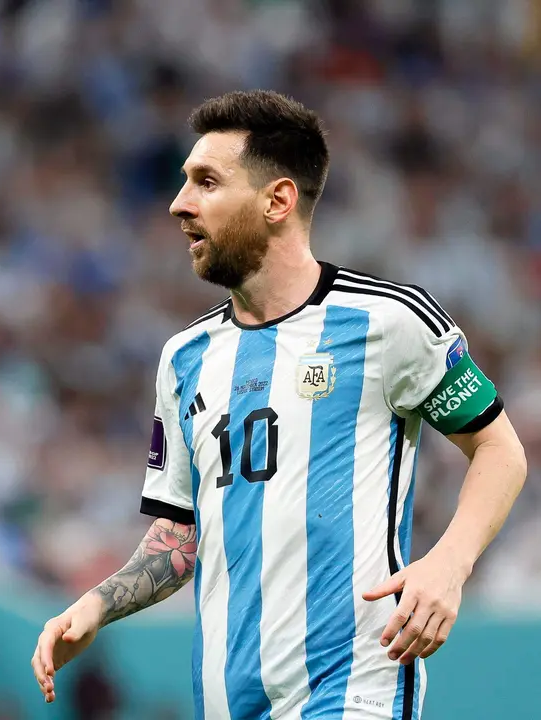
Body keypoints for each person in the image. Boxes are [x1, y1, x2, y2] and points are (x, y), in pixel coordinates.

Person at [31, 90, 527, 719]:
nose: (179, 204)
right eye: (184, 182)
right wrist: (97, 603)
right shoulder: (185, 358)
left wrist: (449, 564)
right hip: (226, 696)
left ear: (278, 200)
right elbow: (182, 532)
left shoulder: (388, 321)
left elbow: (499, 449)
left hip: (353, 685)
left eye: (206, 182)